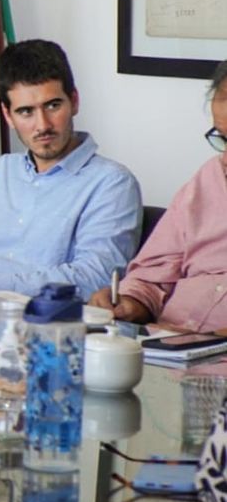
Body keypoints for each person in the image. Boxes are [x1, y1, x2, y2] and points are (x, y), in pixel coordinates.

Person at [0, 39, 141, 296]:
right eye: (26, 112)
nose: (43, 125)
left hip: (50, 325)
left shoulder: (112, 183)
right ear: (8, 116)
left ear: (74, 101)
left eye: (53, 106)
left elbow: (95, 278)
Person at [91, 61, 227, 330]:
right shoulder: (207, 180)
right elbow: (152, 275)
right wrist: (131, 302)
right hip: (164, 347)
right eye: (222, 137)